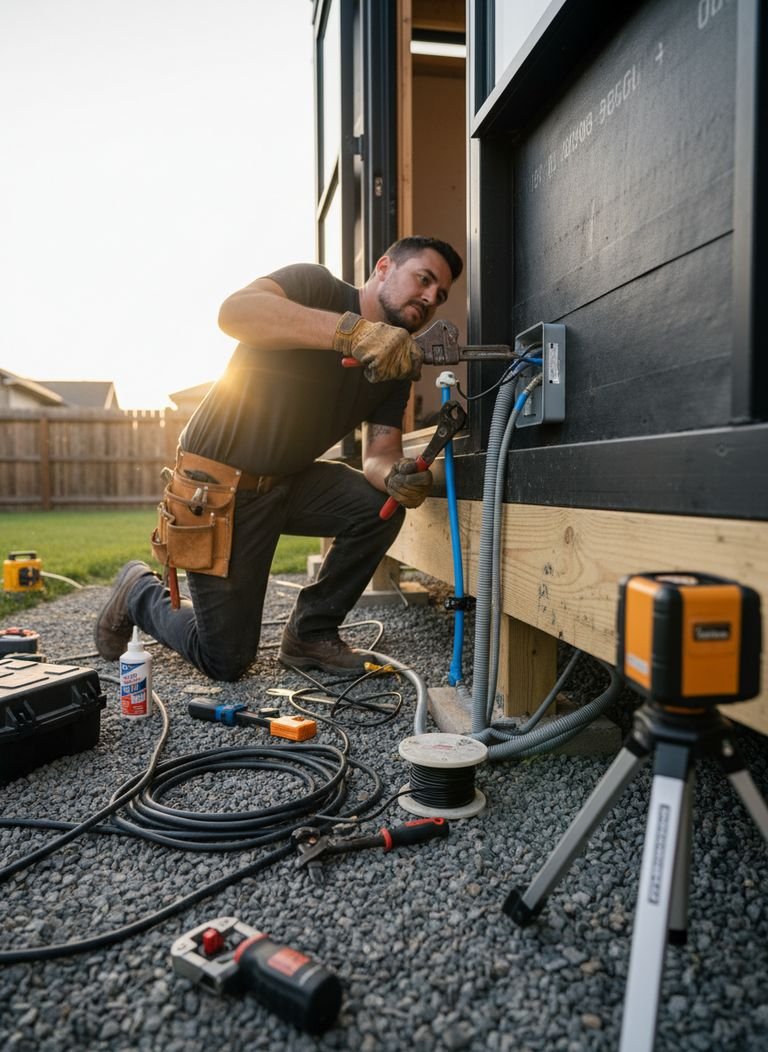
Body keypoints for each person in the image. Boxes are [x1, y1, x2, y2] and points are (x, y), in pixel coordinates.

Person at [95, 236, 463, 680]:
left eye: (439, 295)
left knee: (377, 509)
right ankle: (138, 590)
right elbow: (235, 313)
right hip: (218, 491)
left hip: (289, 482)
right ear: (383, 267)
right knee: (225, 659)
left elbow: (379, 456)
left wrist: (396, 477)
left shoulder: (393, 363)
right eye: (423, 280)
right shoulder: (315, 286)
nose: (429, 298)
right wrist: (351, 333)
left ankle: (311, 634)